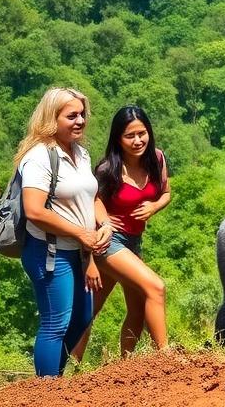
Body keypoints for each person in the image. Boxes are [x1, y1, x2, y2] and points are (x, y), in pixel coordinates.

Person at [15, 87, 111, 377]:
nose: (80, 121)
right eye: (71, 116)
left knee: (81, 318)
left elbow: (92, 197)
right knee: (56, 322)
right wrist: (82, 234)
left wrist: (104, 223)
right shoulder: (40, 156)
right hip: (49, 250)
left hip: (78, 251)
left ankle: (53, 378)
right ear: (51, 118)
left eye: (82, 114)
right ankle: (47, 390)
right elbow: (34, 210)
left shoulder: (80, 153)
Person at [71, 105, 172, 360]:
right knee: (155, 287)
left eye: (142, 133)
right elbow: (90, 206)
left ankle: (124, 366)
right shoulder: (108, 170)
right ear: (118, 138)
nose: (138, 141)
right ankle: (166, 357)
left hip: (134, 243)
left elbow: (166, 193)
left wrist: (154, 207)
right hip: (108, 243)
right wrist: (91, 260)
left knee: (134, 308)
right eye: (130, 136)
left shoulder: (156, 159)